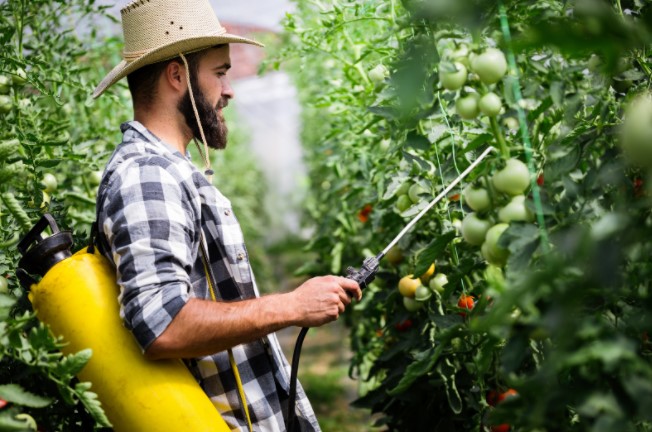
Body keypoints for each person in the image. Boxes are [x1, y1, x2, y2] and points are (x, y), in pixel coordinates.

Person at [92, 0, 361, 430]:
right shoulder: (147, 175)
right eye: (219, 72)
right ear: (176, 75)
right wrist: (292, 305)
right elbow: (161, 322)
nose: (229, 89)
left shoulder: (169, 171)